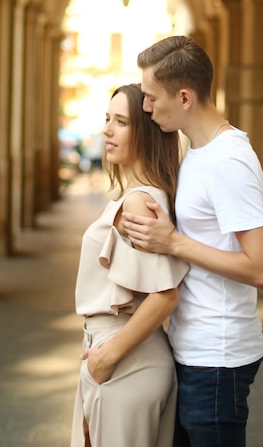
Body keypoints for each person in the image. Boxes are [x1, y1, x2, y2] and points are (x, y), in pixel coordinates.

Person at [121, 36, 263, 447]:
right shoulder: (197, 151)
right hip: (192, 351)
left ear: (185, 97)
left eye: (153, 98)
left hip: (218, 359)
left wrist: (174, 243)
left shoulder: (228, 160)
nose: (146, 107)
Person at [71, 83, 189, 447]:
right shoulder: (139, 194)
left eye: (121, 121)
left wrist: (107, 357)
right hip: (118, 354)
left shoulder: (139, 202)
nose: (107, 129)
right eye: (108, 119)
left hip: (125, 361)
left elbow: (165, 295)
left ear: (146, 132)